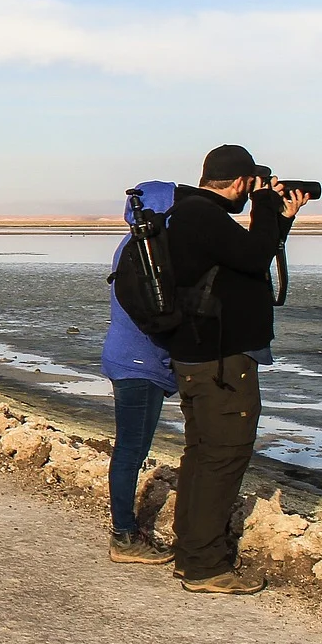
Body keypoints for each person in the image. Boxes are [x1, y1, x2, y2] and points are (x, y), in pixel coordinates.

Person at [163, 145, 309, 595]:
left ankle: (191, 553)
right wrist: (268, 207)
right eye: (254, 187)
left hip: (199, 356)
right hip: (221, 363)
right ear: (243, 182)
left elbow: (249, 256)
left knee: (203, 453)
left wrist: (279, 219)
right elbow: (250, 259)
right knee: (223, 456)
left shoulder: (187, 215)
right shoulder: (203, 217)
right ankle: (205, 566)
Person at [102, 180, 180, 566]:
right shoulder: (147, 250)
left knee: (131, 449)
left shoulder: (133, 244)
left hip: (129, 360)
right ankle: (124, 535)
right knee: (131, 451)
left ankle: (126, 529)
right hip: (138, 364)